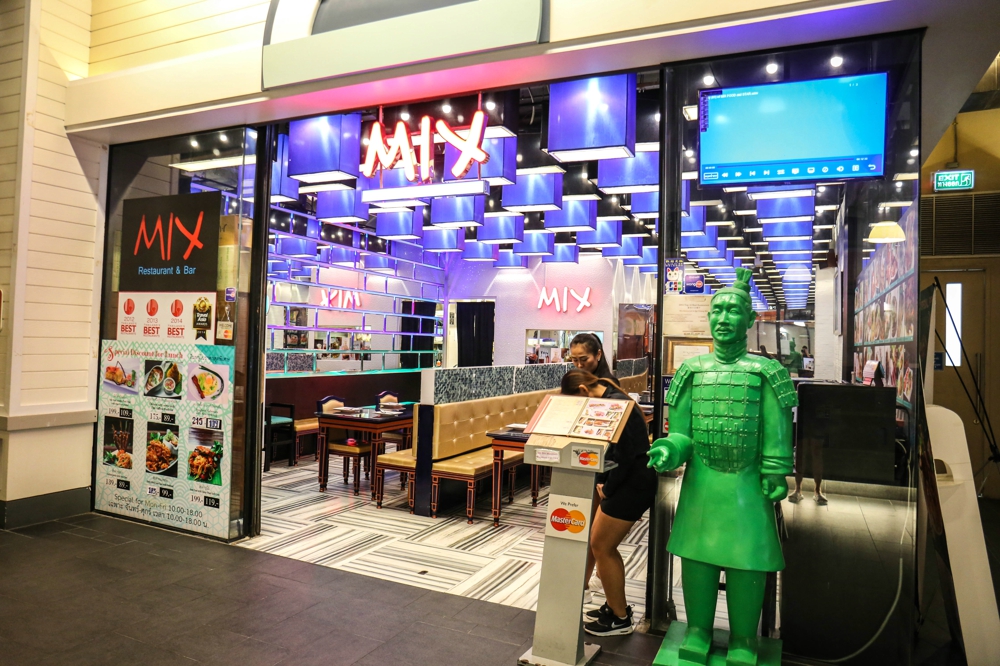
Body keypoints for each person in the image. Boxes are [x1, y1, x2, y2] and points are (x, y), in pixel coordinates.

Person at [647, 266, 796, 665]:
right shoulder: (691, 372)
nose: (724, 318)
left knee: (748, 561)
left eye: (733, 311)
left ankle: (744, 638)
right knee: (696, 558)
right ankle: (697, 630)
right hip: (702, 486)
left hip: (747, 487)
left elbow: (777, 429)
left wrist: (775, 469)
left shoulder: (767, 373)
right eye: (717, 310)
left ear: (750, 319)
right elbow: (681, 433)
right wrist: (669, 450)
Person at [561, 369, 656, 636]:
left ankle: (620, 618)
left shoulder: (616, 404)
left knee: (602, 546)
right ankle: (616, 607)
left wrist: (609, 487)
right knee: (601, 544)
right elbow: (612, 448)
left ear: (583, 391)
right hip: (627, 480)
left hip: (633, 484)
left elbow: (625, 456)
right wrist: (604, 479)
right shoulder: (612, 398)